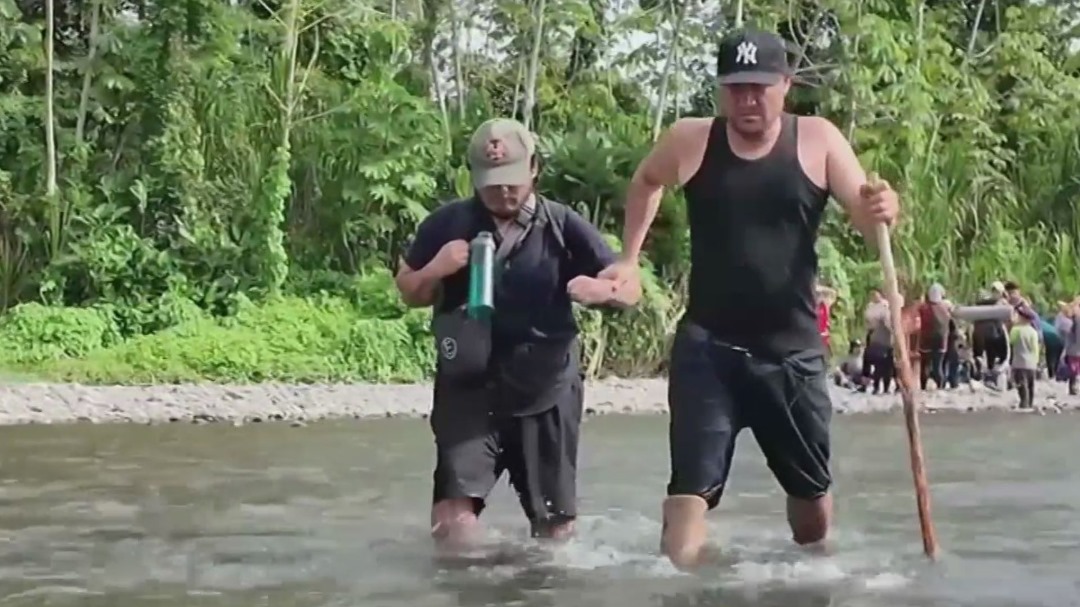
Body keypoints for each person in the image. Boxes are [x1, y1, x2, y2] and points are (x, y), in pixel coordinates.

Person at [595, 28, 900, 568]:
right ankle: (681, 585)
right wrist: (629, 258)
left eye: (760, 86)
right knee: (688, 492)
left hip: (791, 354)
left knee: (811, 508)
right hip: (709, 348)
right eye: (736, 88)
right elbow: (646, 180)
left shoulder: (818, 139)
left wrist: (880, 209)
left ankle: (814, 581)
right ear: (721, 90)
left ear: (785, 84)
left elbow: (861, 208)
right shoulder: (691, 139)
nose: (749, 99)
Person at [394, 118, 639, 550]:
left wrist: (602, 290)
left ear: (534, 169)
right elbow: (410, 291)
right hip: (468, 389)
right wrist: (437, 268)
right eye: (491, 184)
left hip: (546, 390)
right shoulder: (445, 224)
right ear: (473, 176)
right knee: (453, 522)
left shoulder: (564, 225)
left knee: (555, 530)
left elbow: (629, 288)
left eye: (512, 181)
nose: (503, 192)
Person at [917, 283, 951, 390]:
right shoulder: (945, 307)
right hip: (941, 340)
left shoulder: (923, 308)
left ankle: (923, 387)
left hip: (925, 340)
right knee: (938, 366)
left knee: (925, 365)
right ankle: (940, 387)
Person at [861, 290, 894, 394]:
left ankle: (881, 387)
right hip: (879, 340)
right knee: (882, 365)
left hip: (881, 340)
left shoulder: (883, 308)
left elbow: (888, 325)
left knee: (882, 365)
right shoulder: (874, 308)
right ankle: (879, 387)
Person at [1009, 306, 1040, 409]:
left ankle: (1024, 404)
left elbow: (1011, 342)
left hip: (1019, 362)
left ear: (1022, 318)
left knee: (1022, 385)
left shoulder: (1016, 330)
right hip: (1032, 363)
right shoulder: (1033, 331)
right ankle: (1030, 404)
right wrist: (1036, 361)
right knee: (1031, 385)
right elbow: (1035, 348)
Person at [815, 283, 837, 354]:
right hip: (818, 335)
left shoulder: (824, 306)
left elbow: (833, 293)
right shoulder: (818, 307)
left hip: (822, 336)